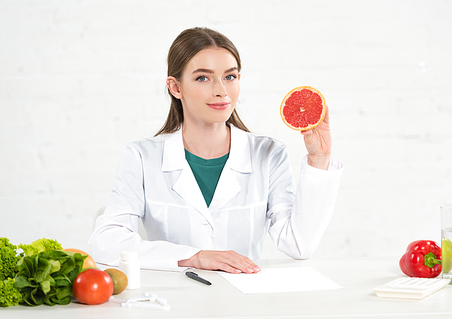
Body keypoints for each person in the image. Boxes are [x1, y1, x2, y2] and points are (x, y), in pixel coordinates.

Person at [89, 27, 343, 274]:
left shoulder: (268, 153)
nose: (221, 90)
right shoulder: (142, 156)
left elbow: (299, 244)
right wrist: (195, 257)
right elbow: (106, 240)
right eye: (203, 77)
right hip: (176, 300)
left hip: (242, 300)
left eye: (230, 76)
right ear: (175, 87)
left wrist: (319, 158)